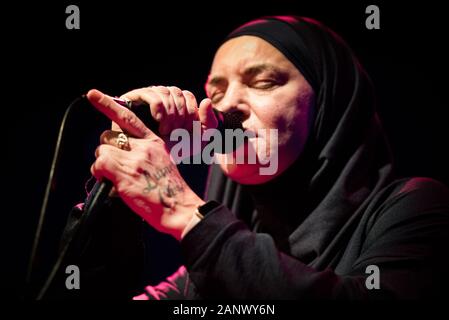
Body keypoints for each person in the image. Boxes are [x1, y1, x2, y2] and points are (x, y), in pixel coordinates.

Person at [42, 15, 449, 300]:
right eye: (216, 92)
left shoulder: (416, 207)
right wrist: (116, 198)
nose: (227, 104)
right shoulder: (213, 267)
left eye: (263, 82)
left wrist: (188, 214)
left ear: (328, 104)